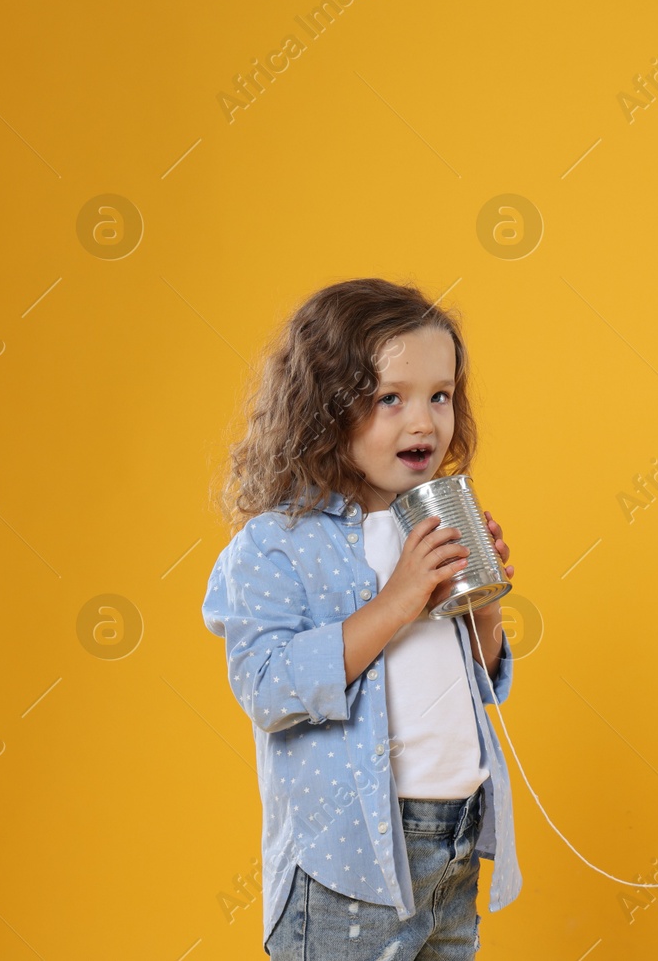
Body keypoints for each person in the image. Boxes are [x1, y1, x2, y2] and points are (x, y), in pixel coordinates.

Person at [201, 277, 522, 958]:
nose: (423, 422)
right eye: (389, 399)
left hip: (454, 844)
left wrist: (483, 611)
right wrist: (396, 602)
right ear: (325, 409)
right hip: (350, 861)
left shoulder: (430, 521)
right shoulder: (277, 543)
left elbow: (482, 682)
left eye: (441, 395)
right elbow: (270, 685)